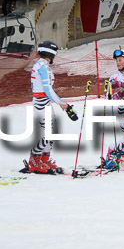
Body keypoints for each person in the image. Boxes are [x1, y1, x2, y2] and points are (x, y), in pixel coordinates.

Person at [26, 41, 78, 174]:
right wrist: (62, 104)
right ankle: (34, 160)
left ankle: (44, 159)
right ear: (50, 53)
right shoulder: (43, 67)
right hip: (42, 104)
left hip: (45, 103)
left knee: (51, 134)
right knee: (47, 135)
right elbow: (48, 90)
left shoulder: (41, 65)